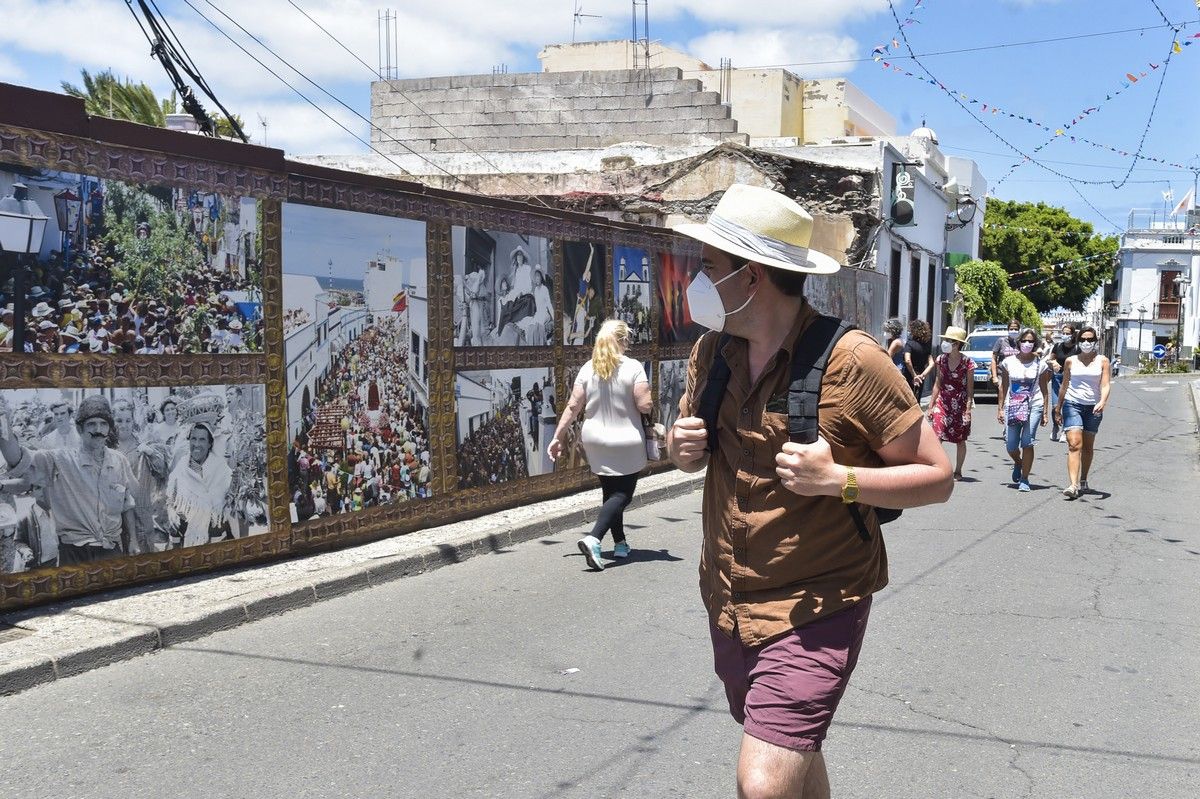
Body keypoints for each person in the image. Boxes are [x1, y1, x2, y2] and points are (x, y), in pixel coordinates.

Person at [666, 184, 952, 797]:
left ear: (752, 277)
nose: (698, 279)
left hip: (817, 604)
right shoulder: (712, 353)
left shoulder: (854, 362)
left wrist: (839, 480)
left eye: (709, 267)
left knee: (764, 782)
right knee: (792, 754)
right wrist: (678, 448)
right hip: (728, 600)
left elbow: (937, 476)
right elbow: (691, 447)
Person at [547, 319, 652, 571]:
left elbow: (573, 406)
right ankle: (594, 538)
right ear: (620, 340)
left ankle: (620, 544)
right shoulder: (633, 367)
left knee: (610, 492)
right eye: (626, 340)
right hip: (625, 439)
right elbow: (644, 405)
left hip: (594, 440)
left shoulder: (588, 368)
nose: (628, 345)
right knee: (622, 494)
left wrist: (557, 436)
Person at [0, 395, 137, 564]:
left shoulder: (119, 461)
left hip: (111, 551)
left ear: (109, 428)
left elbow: (127, 505)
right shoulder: (60, 460)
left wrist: (133, 541)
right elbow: (17, 459)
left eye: (103, 424)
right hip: (74, 554)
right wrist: (3, 421)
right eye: (91, 424)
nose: (98, 429)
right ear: (79, 429)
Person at [1053, 325, 1111, 499]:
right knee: (1074, 443)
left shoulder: (1103, 361)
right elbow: (1064, 385)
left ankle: (1084, 479)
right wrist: (1058, 408)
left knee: (1087, 446)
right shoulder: (1071, 361)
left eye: (1090, 339)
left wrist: (1102, 401)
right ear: (1078, 341)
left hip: (1093, 406)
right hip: (1073, 404)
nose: (1087, 342)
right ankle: (1073, 484)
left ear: (1095, 341)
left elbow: (1106, 384)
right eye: (1083, 339)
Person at [166, 402, 233, 548]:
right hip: (186, 537)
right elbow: (172, 500)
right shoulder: (181, 467)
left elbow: (228, 502)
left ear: (210, 443)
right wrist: (174, 512)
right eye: (193, 439)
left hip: (216, 536)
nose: (197, 444)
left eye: (202, 439)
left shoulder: (220, 468)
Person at [997, 327, 1050, 492]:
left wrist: (1045, 413)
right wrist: (1000, 409)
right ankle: (1018, 463)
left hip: (1034, 404)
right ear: (1018, 342)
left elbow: (1044, 390)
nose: (1027, 344)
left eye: (1030, 341)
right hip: (1013, 405)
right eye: (1024, 340)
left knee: (1027, 442)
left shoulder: (1040, 365)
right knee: (1011, 445)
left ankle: (1025, 478)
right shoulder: (1008, 362)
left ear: (1035, 344)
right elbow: (1003, 387)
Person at [927, 326, 974, 481]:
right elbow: (937, 383)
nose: (945, 343)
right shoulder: (941, 359)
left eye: (949, 340)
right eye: (945, 340)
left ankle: (958, 470)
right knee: (937, 436)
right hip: (943, 401)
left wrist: (967, 410)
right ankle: (937, 468)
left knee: (960, 440)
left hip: (960, 403)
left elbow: (969, 389)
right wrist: (931, 405)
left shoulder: (967, 362)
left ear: (956, 344)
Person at [1046, 322, 1079, 442]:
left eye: (1068, 333)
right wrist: (1053, 363)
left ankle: (1065, 430)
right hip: (1057, 378)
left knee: (1066, 405)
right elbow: (1050, 359)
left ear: (1073, 335)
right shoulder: (1058, 346)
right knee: (1056, 406)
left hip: (1071, 380)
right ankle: (1055, 427)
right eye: (1063, 333)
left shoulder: (1077, 348)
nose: (1065, 335)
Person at [903, 319, 933, 401]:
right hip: (920, 378)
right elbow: (931, 364)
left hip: (908, 376)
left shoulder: (909, 344)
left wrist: (914, 375)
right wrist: (922, 375)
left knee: (907, 401)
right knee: (917, 400)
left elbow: (907, 360)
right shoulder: (926, 345)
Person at [990, 319, 1021, 387]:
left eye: (1016, 329)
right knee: (1002, 396)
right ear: (1008, 329)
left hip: (1018, 375)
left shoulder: (1021, 343)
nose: (1013, 331)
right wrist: (994, 377)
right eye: (1011, 329)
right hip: (1002, 374)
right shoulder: (1001, 341)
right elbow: (993, 359)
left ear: (1019, 330)